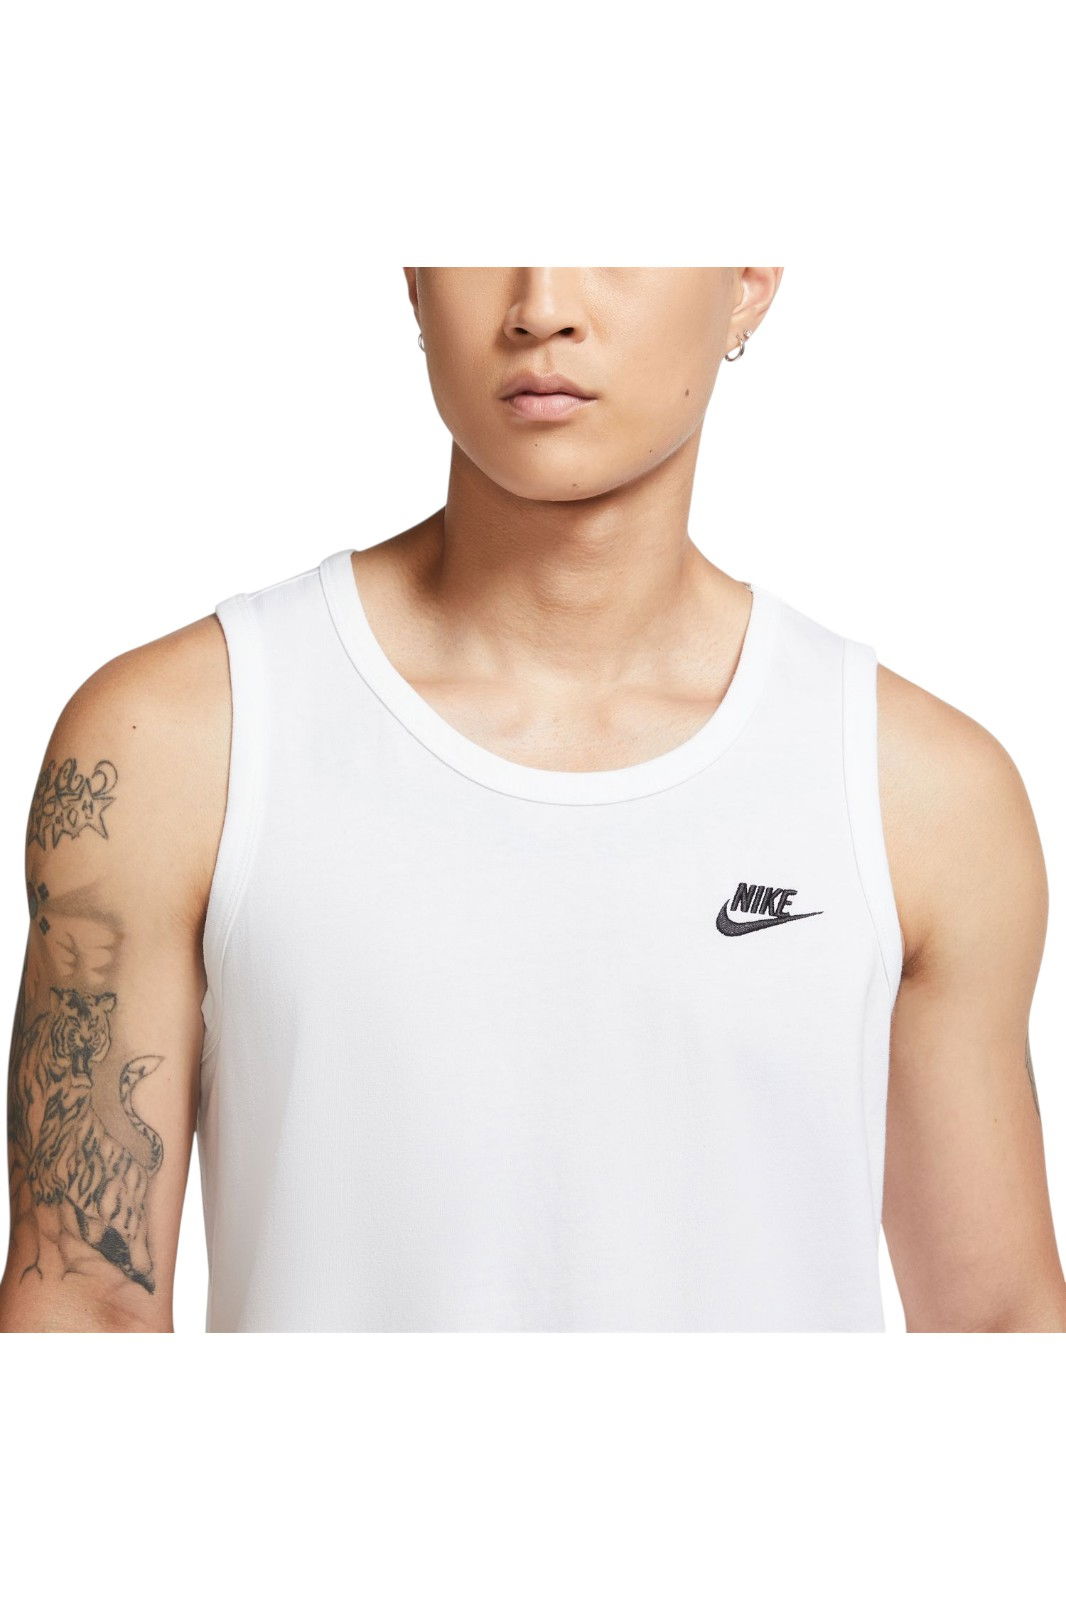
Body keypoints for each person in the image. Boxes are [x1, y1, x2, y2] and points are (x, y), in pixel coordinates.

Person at [2, 267, 1063, 1334]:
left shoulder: (919, 792)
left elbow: (996, 1320)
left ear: (746, 281)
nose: (541, 303)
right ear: (414, 276)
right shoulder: (179, 744)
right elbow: (83, 1299)